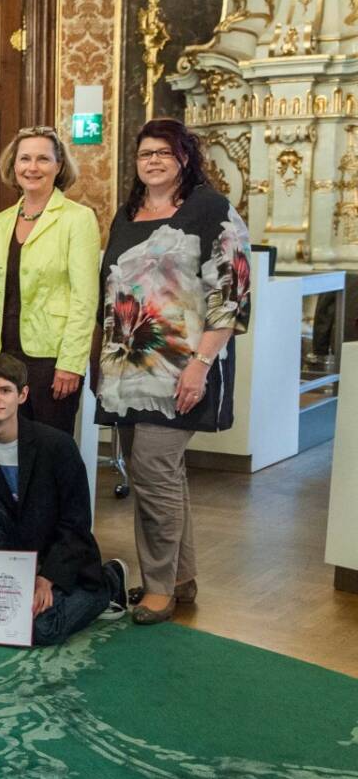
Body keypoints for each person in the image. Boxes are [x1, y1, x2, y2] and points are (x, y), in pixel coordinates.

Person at [94, 118, 251, 625]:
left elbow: (232, 295)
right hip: (127, 368)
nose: (154, 161)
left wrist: (201, 365)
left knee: (153, 470)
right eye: (145, 154)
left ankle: (157, 586)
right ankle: (181, 577)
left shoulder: (211, 209)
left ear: (185, 156)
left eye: (165, 152)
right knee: (162, 475)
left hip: (182, 367)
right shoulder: (128, 212)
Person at [0, 353, 129, 645]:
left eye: (5, 390)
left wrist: (47, 577)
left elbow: (76, 522)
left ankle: (109, 582)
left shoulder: (57, 446)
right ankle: (10, 586)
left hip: (62, 561)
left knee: (40, 631)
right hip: (13, 559)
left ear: (22, 395)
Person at [0, 126, 99, 435]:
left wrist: (71, 362)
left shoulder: (77, 218)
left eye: (43, 159)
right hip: (1, 354)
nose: (32, 167)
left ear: (59, 166)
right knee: (7, 446)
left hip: (51, 359)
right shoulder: (0, 222)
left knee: (50, 449)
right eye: (24, 158)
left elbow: (85, 299)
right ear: (13, 165)